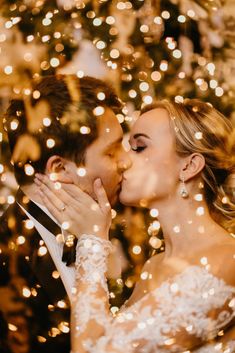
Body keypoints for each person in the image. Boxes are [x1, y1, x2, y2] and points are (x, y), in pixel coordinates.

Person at [36, 98, 235, 352]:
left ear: (189, 165)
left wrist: (93, 240)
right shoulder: (154, 266)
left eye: (139, 147)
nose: (123, 161)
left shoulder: (227, 261)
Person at [0, 74, 130, 353]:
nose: (126, 161)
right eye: (111, 152)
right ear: (59, 169)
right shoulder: (6, 261)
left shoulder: (107, 228)